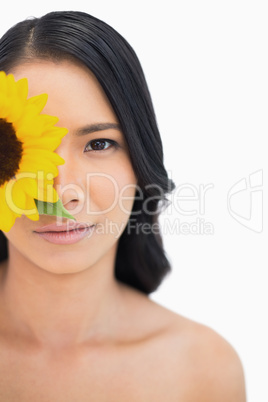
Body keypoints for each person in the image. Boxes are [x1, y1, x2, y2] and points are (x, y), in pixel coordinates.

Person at [0, 10, 246, 401]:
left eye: (99, 144)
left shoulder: (202, 370)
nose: (63, 191)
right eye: (27, 149)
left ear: (140, 162)